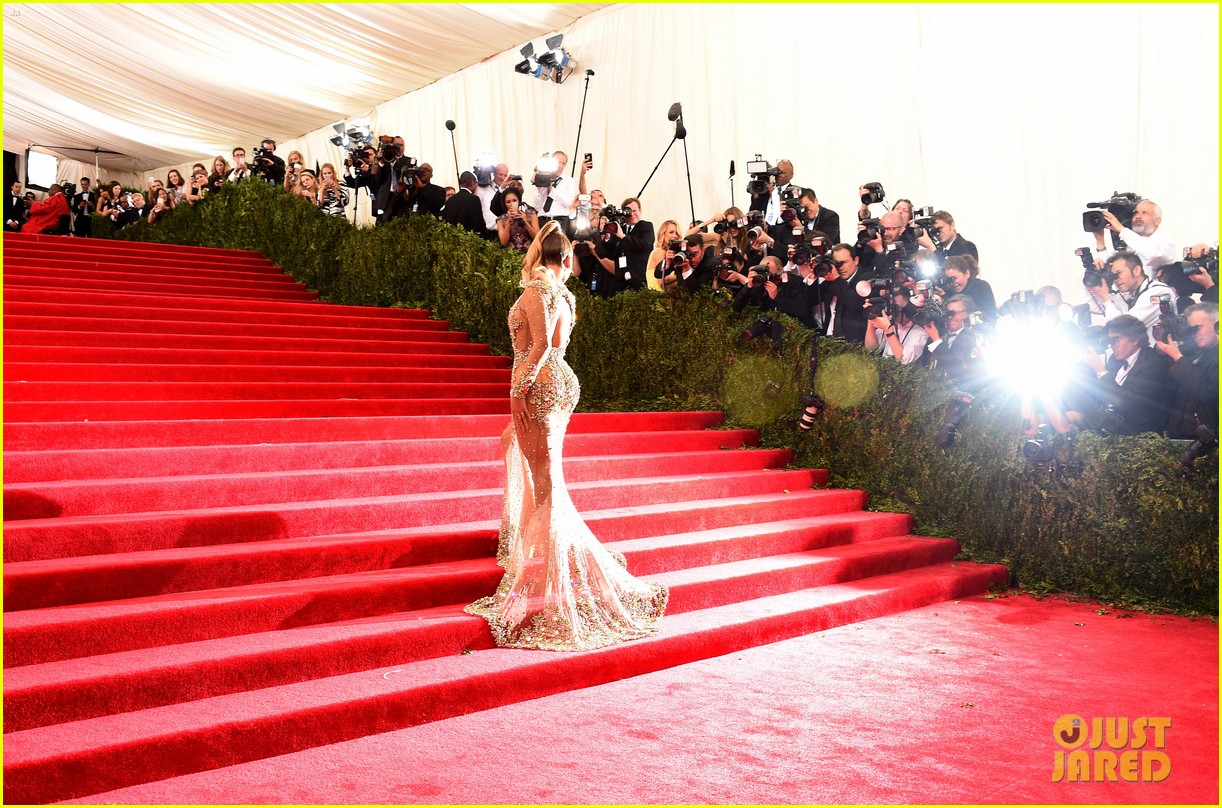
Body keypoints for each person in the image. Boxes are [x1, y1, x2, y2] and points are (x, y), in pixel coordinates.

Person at [464, 221, 668, 650]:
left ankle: (548, 569)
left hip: (541, 384)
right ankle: (540, 557)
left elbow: (538, 348)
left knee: (545, 480)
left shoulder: (541, 291)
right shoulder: (564, 293)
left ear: (539, 253)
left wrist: (517, 390)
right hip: (555, 381)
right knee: (525, 457)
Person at [1073, 314, 1172, 435]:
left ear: (1135, 339)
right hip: (1113, 433)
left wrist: (1101, 370)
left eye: (1117, 339)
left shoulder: (1154, 362)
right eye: (1110, 341)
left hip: (1142, 437)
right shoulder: (1114, 360)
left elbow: (1130, 401)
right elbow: (1102, 395)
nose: (1113, 345)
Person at [1158, 302, 1219, 439]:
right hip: (1181, 432)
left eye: (1198, 328)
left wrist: (1178, 357)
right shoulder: (1196, 351)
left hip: (1207, 438)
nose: (1194, 334)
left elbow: (1207, 392)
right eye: (1190, 330)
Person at [1083, 250, 1173, 340]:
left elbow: (1124, 327)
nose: (1116, 279)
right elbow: (1091, 305)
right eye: (1112, 275)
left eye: (1119, 273)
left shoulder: (1159, 292)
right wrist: (1092, 274)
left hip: (1160, 353)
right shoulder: (1127, 295)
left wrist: (1106, 297)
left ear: (1136, 270)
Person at [1090, 199, 1176, 273]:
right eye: (1136, 213)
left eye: (1144, 213)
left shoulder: (1165, 242)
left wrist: (1121, 229)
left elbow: (1152, 253)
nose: (1138, 216)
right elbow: (1111, 270)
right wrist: (1100, 241)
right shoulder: (1130, 244)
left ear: (1157, 221)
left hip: (1155, 292)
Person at [942, 255, 997, 321]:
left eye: (955, 278)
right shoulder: (950, 292)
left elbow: (990, 317)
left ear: (967, 274)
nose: (953, 283)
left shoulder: (980, 287)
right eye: (949, 279)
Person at [496, 187, 538, 252]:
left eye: (514, 200)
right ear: (504, 204)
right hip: (510, 256)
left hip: (530, 254)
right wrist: (508, 223)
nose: (512, 204)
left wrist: (526, 223)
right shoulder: (501, 220)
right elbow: (503, 242)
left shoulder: (531, 214)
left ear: (519, 201)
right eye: (508, 202)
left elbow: (537, 237)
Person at [646, 219, 682, 291]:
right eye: (671, 232)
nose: (675, 236)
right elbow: (661, 281)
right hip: (657, 298)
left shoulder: (671, 254)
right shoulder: (660, 252)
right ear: (663, 233)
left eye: (677, 233)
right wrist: (682, 276)